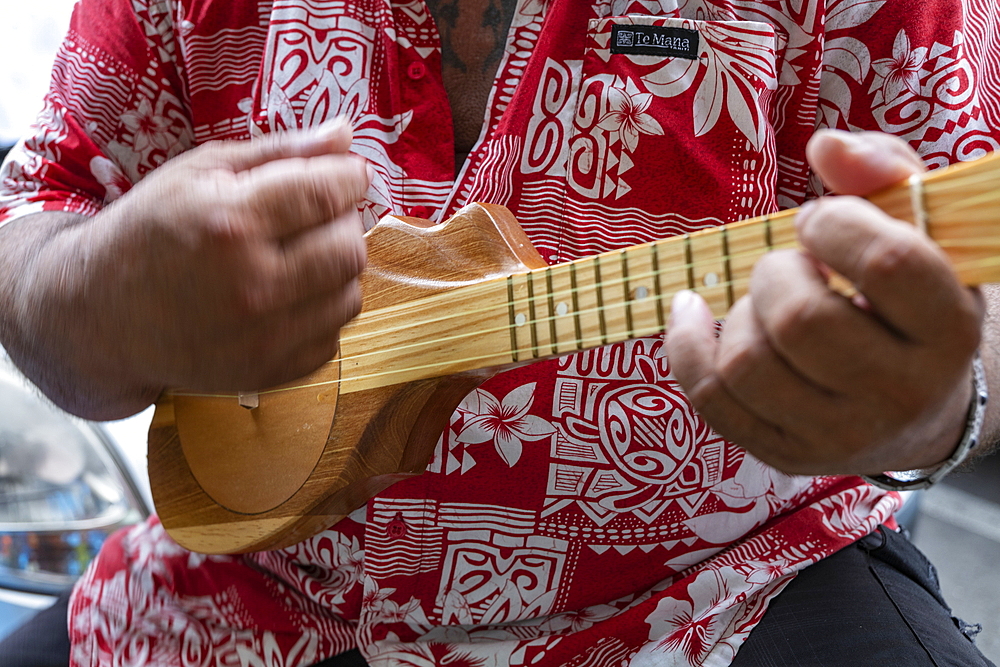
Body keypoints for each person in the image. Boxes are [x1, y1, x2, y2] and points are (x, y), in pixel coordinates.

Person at [0, 0, 998, 665]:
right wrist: (86, 291)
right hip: (245, 575)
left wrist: (937, 404)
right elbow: (40, 213)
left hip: (724, 591)